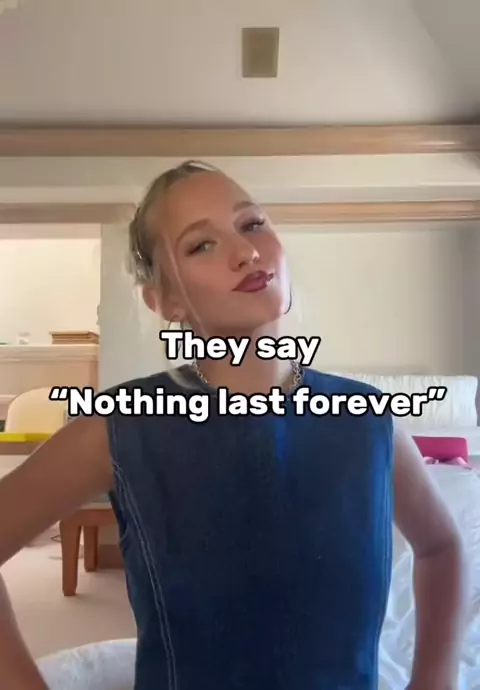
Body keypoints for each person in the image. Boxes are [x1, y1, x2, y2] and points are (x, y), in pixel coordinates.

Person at [0, 161, 467, 690]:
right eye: (202, 245)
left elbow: (441, 548)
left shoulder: (369, 421)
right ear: (166, 300)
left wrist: (435, 678)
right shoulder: (120, 427)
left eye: (252, 224)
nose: (246, 252)